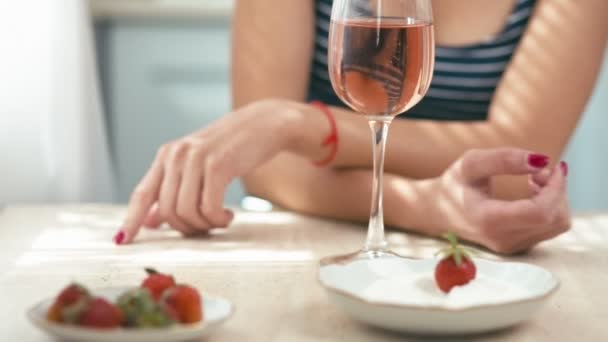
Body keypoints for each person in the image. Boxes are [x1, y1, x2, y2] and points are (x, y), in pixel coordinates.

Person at [113, 0, 608, 254]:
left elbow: (513, 169)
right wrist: (429, 209)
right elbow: (267, 171)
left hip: (488, 264)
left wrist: (297, 125)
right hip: (310, 242)